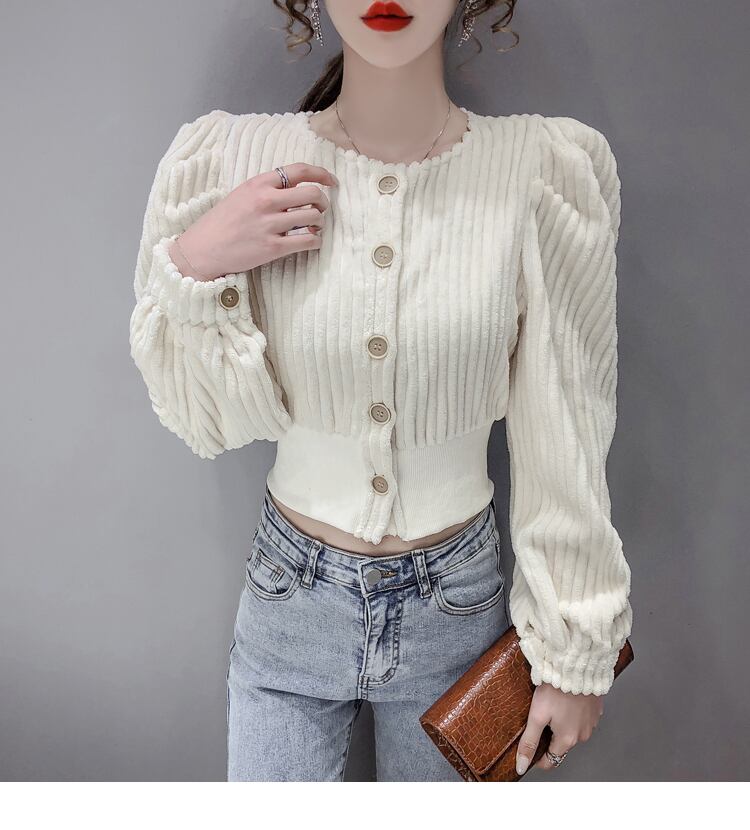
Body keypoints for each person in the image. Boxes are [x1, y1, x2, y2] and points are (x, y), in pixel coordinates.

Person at [129, 0, 633, 781]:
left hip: (456, 612)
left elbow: (566, 422)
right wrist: (198, 264)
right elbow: (209, 425)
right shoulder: (226, 159)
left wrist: (575, 648)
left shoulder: (540, 169)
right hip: (287, 602)